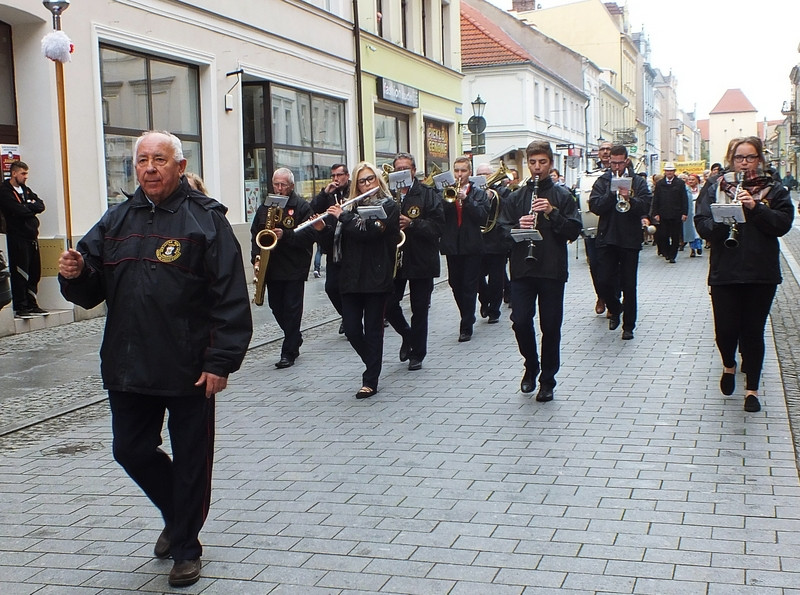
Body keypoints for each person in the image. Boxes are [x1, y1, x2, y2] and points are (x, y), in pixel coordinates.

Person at [57, 131, 252, 587]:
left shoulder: (205, 220)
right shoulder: (117, 218)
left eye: (159, 159)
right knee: (130, 450)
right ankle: (178, 516)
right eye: (142, 160)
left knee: (191, 460)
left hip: (189, 366)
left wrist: (220, 361)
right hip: (127, 363)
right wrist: (77, 273)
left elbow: (230, 296)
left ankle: (186, 548)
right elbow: (90, 288)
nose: (149, 168)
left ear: (179, 167)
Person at [694, 136, 794, 413]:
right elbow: (702, 224)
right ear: (731, 159)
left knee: (753, 331)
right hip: (725, 270)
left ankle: (752, 389)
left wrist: (756, 208)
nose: (745, 163)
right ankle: (729, 363)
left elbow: (783, 224)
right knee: (725, 330)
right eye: (740, 158)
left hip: (761, 271)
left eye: (751, 157)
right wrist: (724, 218)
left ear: (759, 159)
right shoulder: (715, 187)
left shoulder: (773, 188)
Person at [499, 140, 583, 401]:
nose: (537, 167)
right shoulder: (516, 196)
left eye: (542, 162)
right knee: (520, 321)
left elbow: (573, 231)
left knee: (551, 326)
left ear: (550, 163)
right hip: (523, 269)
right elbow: (501, 232)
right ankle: (531, 364)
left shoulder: (562, 196)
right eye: (533, 162)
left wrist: (552, 212)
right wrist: (518, 227)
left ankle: (548, 379)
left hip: (551, 270)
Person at [320, 161, 400, 398]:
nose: (366, 184)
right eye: (362, 181)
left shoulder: (388, 206)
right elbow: (334, 244)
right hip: (351, 276)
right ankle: (373, 362)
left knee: (373, 330)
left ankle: (370, 379)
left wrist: (343, 217)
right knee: (352, 329)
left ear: (378, 180)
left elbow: (371, 231)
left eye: (370, 179)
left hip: (376, 276)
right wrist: (322, 229)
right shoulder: (349, 207)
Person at [250, 168, 317, 369]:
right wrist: (256, 258)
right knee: (276, 307)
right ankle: (294, 337)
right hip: (272, 267)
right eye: (276, 184)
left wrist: (285, 235)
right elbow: (256, 233)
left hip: (294, 267)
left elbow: (310, 235)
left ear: (291, 186)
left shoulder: (302, 206)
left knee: (292, 310)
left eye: (283, 185)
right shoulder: (265, 206)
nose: (279, 188)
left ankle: (288, 352)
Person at [384, 153, 444, 371]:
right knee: (388, 304)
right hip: (395, 259)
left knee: (419, 308)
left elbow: (438, 227)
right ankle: (408, 336)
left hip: (421, 259)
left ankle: (418, 353)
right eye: (397, 169)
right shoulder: (387, 195)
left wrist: (413, 224)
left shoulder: (427, 194)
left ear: (413, 170)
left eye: (405, 168)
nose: (401, 172)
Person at [589, 145, 653, 340]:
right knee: (603, 280)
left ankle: (628, 326)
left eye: (619, 163)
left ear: (626, 161)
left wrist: (629, 199)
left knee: (629, 284)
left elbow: (646, 205)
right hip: (607, 237)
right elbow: (595, 206)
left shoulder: (638, 181)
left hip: (629, 239)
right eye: (613, 163)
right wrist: (611, 194)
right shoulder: (603, 181)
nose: (616, 167)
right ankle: (615, 308)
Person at [439, 156, 490, 342]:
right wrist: (448, 200)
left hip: (472, 245)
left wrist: (466, 200)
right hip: (452, 245)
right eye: (457, 170)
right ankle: (467, 314)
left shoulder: (478, 193)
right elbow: (440, 215)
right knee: (455, 283)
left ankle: (466, 326)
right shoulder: (446, 191)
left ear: (470, 172)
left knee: (469, 285)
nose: (459, 174)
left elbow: (482, 216)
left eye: (463, 170)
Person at [0, 160, 47, 317]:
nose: (26, 177)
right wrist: (29, 207)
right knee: (21, 272)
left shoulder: (26, 190)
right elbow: (17, 210)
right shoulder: (5, 191)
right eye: (23, 173)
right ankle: (21, 306)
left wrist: (29, 206)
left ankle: (32, 304)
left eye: (26, 173)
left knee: (34, 271)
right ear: (14, 173)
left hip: (31, 236)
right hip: (17, 237)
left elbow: (40, 205)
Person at [310, 163, 350, 332]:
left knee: (349, 288)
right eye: (333, 175)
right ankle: (347, 317)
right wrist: (324, 193)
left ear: (347, 176)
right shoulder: (329, 194)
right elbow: (312, 209)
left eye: (339, 175)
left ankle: (351, 319)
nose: (335, 179)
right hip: (333, 246)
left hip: (350, 246)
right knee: (331, 287)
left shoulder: (353, 191)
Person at [475, 162, 507, 325]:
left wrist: (492, 197)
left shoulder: (502, 190)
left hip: (496, 241)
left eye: (486, 174)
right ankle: (484, 300)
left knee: (496, 279)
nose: (484, 177)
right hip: (478, 242)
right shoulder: (473, 192)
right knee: (477, 277)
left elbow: (507, 207)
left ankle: (494, 310)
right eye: (480, 174)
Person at [651, 162, 687, 264]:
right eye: (667, 171)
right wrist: (655, 213)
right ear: (665, 172)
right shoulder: (660, 184)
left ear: (674, 172)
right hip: (663, 213)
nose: (669, 173)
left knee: (675, 236)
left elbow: (684, 199)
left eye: (671, 171)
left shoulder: (680, 183)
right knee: (663, 235)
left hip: (676, 214)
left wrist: (684, 213)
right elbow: (656, 199)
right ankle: (666, 252)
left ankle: (673, 255)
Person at [684, 173, 703, 257]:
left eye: (693, 180)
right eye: (689, 180)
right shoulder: (685, 189)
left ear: (697, 181)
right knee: (690, 229)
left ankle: (699, 246)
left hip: (698, 210)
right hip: (689, 210)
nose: (691, 181)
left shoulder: (701, 189)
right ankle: (692, 249)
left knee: (698, 227)